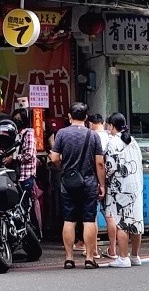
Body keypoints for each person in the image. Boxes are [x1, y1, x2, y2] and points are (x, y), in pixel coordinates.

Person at [49, 102, 105, 269]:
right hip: (88, 182)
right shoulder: (93, 135)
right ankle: (89, 258)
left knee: (69, 219)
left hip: (68, 183)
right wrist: (102, 184)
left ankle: (69, 258)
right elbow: (100, 163)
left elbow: (54, 158)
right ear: (86, 117)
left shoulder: (62, 134)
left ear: (69, 116)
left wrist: (63, 167)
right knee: (88, 220)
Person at [103, 112, 144, 268]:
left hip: (120, 188)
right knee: (136, 222)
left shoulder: (113, 142)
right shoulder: (133, 141)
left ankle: (123, 257)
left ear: (112, 126)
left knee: (122, 223)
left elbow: (110, 168)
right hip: (136, 187)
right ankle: (135, 256)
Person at [88, 113, 115, 258]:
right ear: (103, 122)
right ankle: (113, 249)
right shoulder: (111, 137)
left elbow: (99, 163)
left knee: (91, 216)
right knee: (109, 215)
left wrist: (100, 183)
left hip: (95, 179)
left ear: (90, 124)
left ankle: (94, 251)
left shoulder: (92, 137)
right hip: (111, 180)